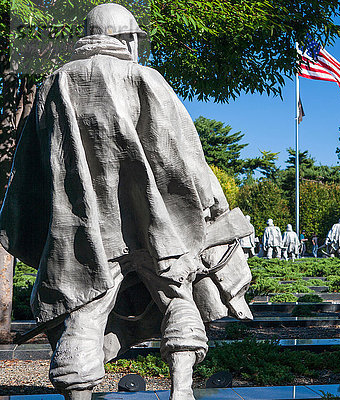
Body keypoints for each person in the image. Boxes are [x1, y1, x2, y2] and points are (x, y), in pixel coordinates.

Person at [0, 4, 254, 400]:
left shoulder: (54, 83)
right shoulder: (143, 78)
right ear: (129, 38)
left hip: (82, 232)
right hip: (155, 225)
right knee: (176, 296)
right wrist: (211, 201)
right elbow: (181, 151)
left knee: (82, 313)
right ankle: (181, 391)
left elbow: (29, 166)